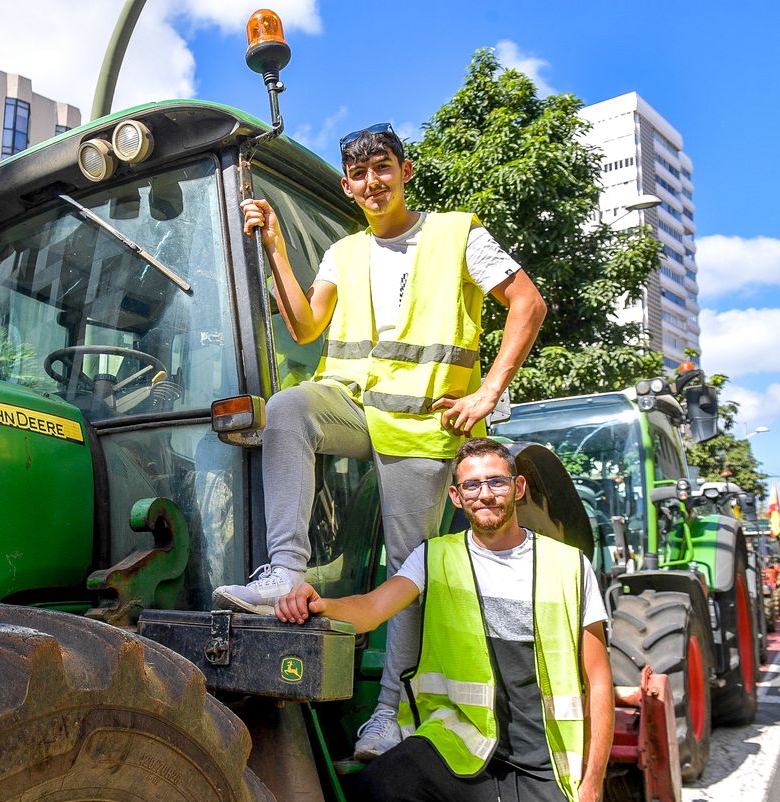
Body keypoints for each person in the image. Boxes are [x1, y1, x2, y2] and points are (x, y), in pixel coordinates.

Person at [211, 123, 547, 759]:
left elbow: (527, 303)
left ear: (405, 170)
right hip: (355, 406)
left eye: (383, 168)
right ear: (349, 185)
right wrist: (277, 247)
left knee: (406, 570)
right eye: (361, 175)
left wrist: (485, 396)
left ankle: (388, 713)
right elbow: (307, 326)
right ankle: (286, 573)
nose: (373, 182)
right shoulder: (344, 253)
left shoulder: (458, 236)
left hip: (422, 425)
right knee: (287, 409)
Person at [275, 438, 613, 802]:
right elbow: (372, 609)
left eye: (496, 482)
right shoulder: (434, 556)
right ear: (455, 496)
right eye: (471, 486)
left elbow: (599, 681)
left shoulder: (569, 566)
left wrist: (593, 783)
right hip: (459, 747)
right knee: (375, 794)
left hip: (538, 761)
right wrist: (319, 603)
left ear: (519, 487)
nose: (484, 494)